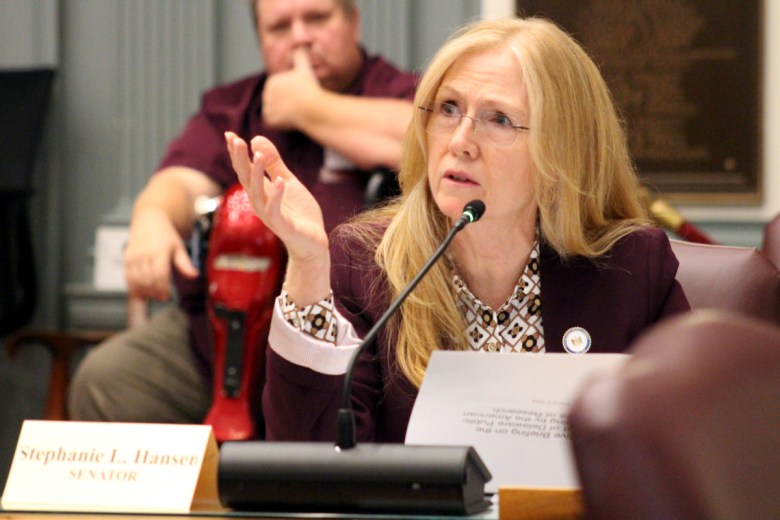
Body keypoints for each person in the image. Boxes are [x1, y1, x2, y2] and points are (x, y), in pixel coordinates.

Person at [226, 16, 691, 443]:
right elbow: (313, 462)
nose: (460, 141)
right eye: (448, 109)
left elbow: (688, 443)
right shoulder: (366, 263)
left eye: (499, 119)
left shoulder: (631, 270)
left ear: (562, 150)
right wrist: (308, 264)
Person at [68, 0, 417, 425]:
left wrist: (308, 106)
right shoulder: (236, 107)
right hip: (224, 335)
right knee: (108, 380)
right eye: (279, 28)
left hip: (358, 337)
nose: (300, 38)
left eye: (317, 18)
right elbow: (180, 182)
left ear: (353, 21)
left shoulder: (402, 91)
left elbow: (423, 142)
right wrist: (153, 218)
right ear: (260, 40)